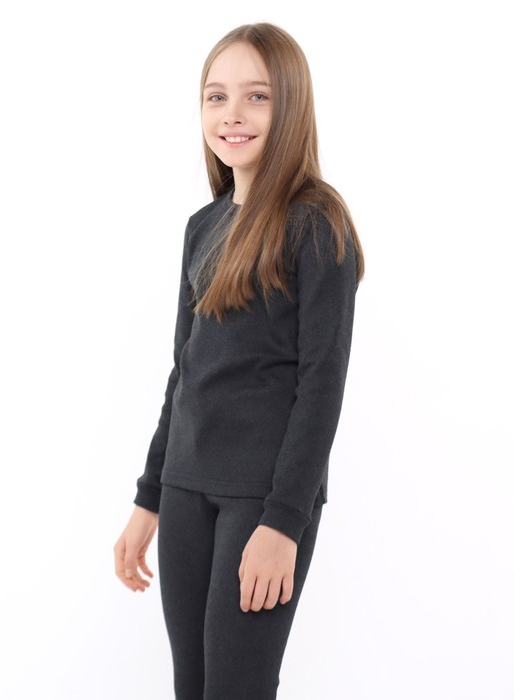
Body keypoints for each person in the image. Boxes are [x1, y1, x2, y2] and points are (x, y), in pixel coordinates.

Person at [113, 22, 365, 700]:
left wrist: (283, 521)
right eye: (216, 96)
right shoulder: (203, 226)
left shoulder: (318, 223)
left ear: (291, 105)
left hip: (261, 497)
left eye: (257, 96)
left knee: (238, 687)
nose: (232, 114)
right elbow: (184, 373)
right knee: (192, 688)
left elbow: (322, 384)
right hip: (184, 489)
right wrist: (148, 498)